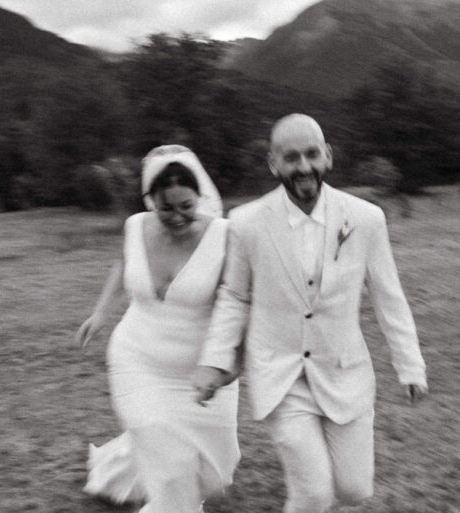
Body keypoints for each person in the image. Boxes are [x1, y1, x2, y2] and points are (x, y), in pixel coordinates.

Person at [193, 114, 428, 513]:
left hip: (343, 371)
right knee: (315, 494)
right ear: (274, 164)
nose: (303, 167)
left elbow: (389, 297)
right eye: (291, 157)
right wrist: (215, 360)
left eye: (312, 155)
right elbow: (234, 296)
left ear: (328, 156)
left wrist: (410, 367)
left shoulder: (366, 219)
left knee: (354, 490)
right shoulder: (246, 222)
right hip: (280, 375)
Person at [76, 145, 239, 513]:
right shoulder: (135, 226)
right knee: (170, 462)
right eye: (167, 208)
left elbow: (237, 304)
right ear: (151, 200)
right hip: (137, 360)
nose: (178, 216)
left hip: (202, 371)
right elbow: (122, 263)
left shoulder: (226, 235)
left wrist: (230, 363)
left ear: (201, 196)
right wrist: (101, 313)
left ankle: (125, 476)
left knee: (213, 473)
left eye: (187, 205)